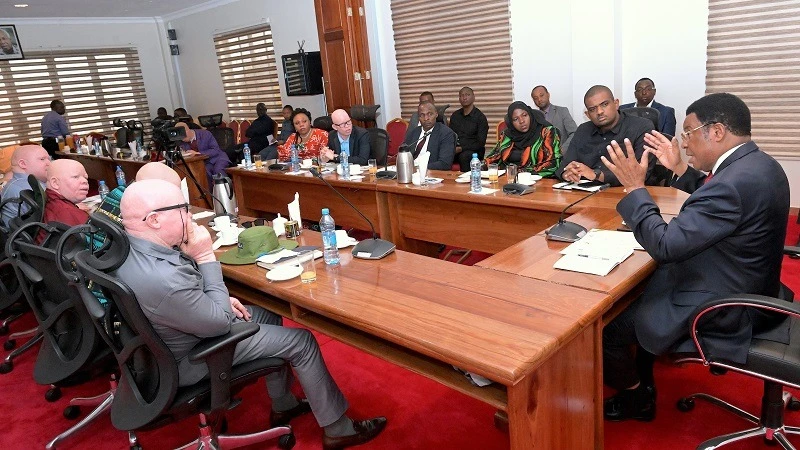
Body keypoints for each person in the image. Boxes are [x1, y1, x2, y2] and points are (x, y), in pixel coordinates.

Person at [116, 180, 387, 449]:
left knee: (267, 315)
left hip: (168, 342)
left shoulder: (131, 249)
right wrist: (206, 257)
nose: (189, 217)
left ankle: (283, 404)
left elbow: (185, 299)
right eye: (183, 209)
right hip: (193, 357)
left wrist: (214, 297)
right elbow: (218, 322)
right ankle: (338, 430)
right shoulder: (163, 279)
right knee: (302, 342)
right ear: (154, 220)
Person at [600, 93, 790, 422]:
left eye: (688, 133)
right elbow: (715, 195)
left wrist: (634, 187)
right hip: (755, 284)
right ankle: (644, 381)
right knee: (642, 290)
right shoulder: (759, 165)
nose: (683, 143)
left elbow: (664, 245)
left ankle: (636, 398)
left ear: (716, 132)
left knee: (609, 328)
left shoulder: (733, 183)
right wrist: (679, 168)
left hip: (727, 305)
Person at [557, 85, 655, 186]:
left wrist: (596, 175)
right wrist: (566, 173)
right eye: (592, 109)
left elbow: (642, 174)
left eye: (604, 104)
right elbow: (564, 165)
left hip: (625, 193)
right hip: (584, 193)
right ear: (587, 115)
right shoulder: (583, 130)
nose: (599, 112)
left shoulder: (641, 127)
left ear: (616, 104)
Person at [484, 102, 561, 177]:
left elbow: (553, 163)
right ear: (511, 122)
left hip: (539, 180)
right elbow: (494, 156)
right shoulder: (507, 135)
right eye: (515, 119)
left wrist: (522, 173)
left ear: (530, 115)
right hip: (508, 178)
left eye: (524, 115)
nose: (521, 121)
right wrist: (480, 166)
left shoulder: (547, 132)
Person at [0, 145, 50, 229]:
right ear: (23, 164)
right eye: (42, 159)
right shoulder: (28, 187)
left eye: (49, 159)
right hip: (30, 238)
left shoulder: (15, 183)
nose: (49, 163)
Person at [402, 101, 455, 170]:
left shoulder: (445, 133)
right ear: (418, 117)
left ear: (436, 114)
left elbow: (444, 164)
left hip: (431, 173)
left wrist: (418, 168)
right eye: (422, 115)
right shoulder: (414, 132)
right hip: (410, 172)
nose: (426, 118)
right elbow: (403, 152)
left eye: (430, 114)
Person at [176, 122, 230, 186]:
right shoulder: (181, 143)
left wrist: (198, 153)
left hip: (218, 158)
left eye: (184, 137)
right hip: (205, 162)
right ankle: (210, 194)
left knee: (218, 170)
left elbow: (215, 150)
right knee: (203, 173)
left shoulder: (205, 134)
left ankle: (226, 193)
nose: (183, 140)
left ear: (187, 130)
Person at [41, 159, 90, 228]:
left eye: (86, 177)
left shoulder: (51, 201)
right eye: (75, 177)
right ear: (55, 183)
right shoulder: (66, 212)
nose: (84, 181)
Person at [449, 87, 489, 172]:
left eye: (467, 95)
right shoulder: (455, 116)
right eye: (461, 95)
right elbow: (450, 136)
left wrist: (462, 148)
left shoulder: (480, 117)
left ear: (473, 97)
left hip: (474, 151)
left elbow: (480, 143)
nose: (464, 97)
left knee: (464, 156)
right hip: (456, 150)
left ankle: (467, 182)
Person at [531, 85, 578, 152]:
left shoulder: (562, 111)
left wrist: (562, 150)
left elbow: (574, 133)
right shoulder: (533, 117)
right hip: (542, 159)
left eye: (541, 95)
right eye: (536, 98)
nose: (539, 99)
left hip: (562, 157)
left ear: (548, 95)